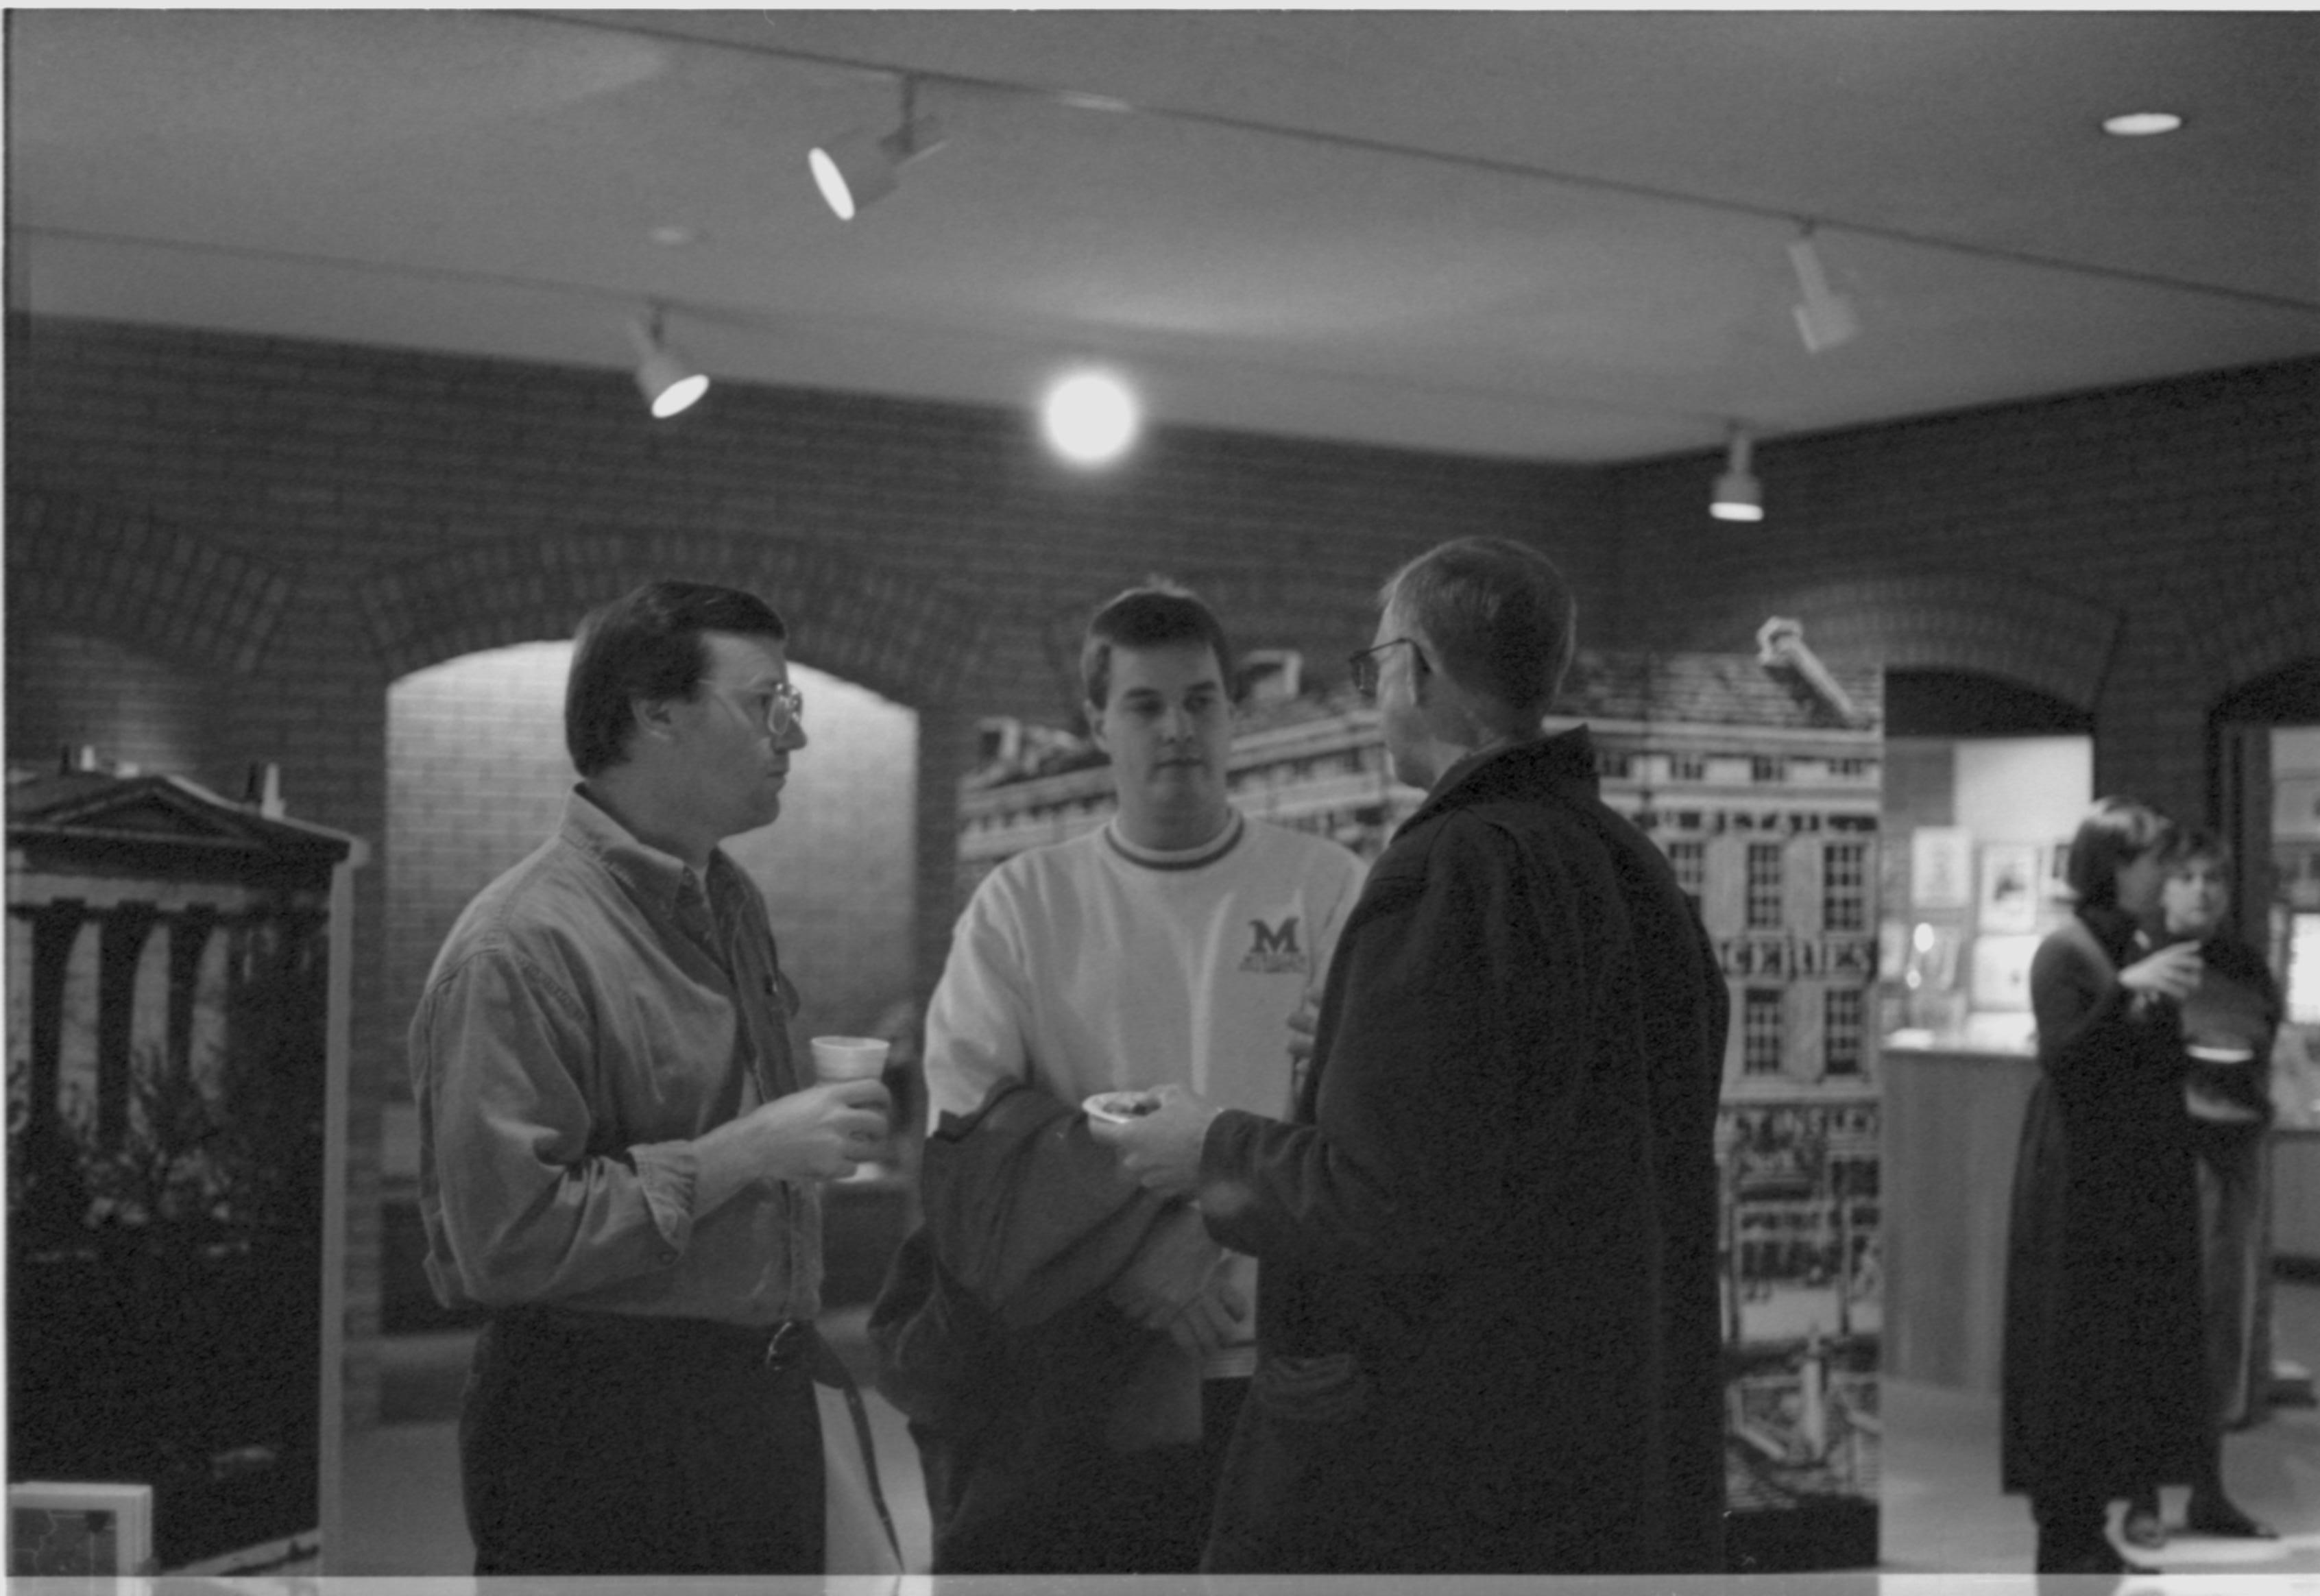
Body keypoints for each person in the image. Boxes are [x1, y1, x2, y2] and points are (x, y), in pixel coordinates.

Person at [1096, 535, 1730, 1572]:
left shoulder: (1449, 868)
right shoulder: (1634, 866)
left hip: (1453, 1453)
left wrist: (1207, 1146)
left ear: (1416, 669)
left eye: (1374, 663)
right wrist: (1358, 1050)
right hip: (1612, 1421)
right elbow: (1554, 1123)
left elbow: (1384, 1197)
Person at [873, 580, 1367, 1573]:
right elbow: (971, 1140)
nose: (1178, 728)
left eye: (1203, 700)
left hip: (1279, 1369)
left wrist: (1219, 1217)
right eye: (1145, 705)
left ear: (1234, 713)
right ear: (1099, 722)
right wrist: (1134, 1259)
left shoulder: (1326, 890)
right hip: (1085, 1373)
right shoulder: (1024, 903)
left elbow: (1374, 1120)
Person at [408, 579, 893, 1573]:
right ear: (656, 714)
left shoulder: (726, 900)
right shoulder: (519, 946)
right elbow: (506, 1240)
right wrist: (753, 1149)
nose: (792, 737)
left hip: (752, 1401)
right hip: (599, 1428)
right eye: (767, 704)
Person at [1999, 797, 2210, 1575]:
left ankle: (2089, 1535)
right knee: (2071, 1358)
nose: (2164, 873)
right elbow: (2065, 1058)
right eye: (2154, 859)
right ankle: (2067, 1537)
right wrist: (2130, 991)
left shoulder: (2124, 945)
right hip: (2075, 1197)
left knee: (2110, 1360)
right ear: (2117, 866)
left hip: (2119, 1193)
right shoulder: (2069, 951)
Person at [2120, 830, 2282, 1549]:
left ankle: (2210, 1489)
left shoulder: (2244, 962)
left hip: (2235, 1156)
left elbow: (2267, 1039)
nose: (2204, 891)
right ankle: (2144, 1496)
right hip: (2164, 1161)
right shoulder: (2141, 958)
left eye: (2214, 878)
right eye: (2188, 878)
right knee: (2157, 1320)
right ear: (2164, 885)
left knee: (2223, 1323)